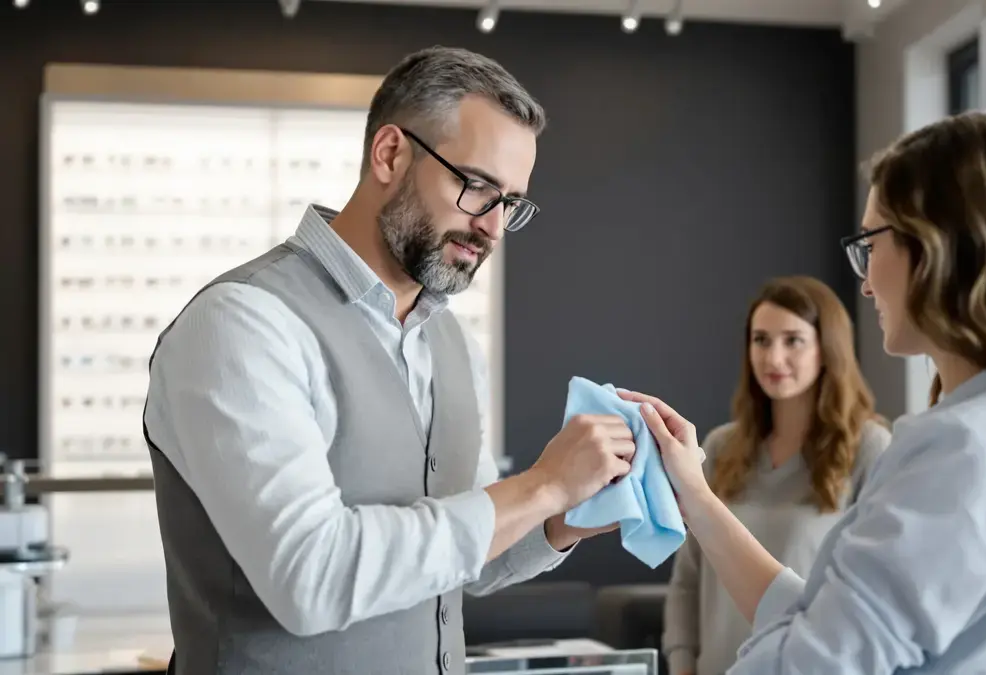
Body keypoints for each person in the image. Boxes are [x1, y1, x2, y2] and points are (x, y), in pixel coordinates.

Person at [143, 46, 631, 675]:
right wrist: (542, 485)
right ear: (390, 154)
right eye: (477, 187)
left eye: (509, 202)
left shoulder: (451, 344)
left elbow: (469, 555)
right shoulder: (242, 324)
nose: (493, 229)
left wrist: (567, 513)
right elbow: (310, 579)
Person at [621, 112, 986, 674]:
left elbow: (810, 665)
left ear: (939, 248)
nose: (866, 281)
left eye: (871, 243)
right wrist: (699, 502)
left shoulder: (963, 452)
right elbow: (824, 624)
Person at [662, 275, 891, 675]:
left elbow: (877, 594)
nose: (773, 358)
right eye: (761, 340)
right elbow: (688, 580)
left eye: (793, 340)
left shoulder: (869, 447)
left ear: (827, 348)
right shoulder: (719, 447)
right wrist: (682, 664)